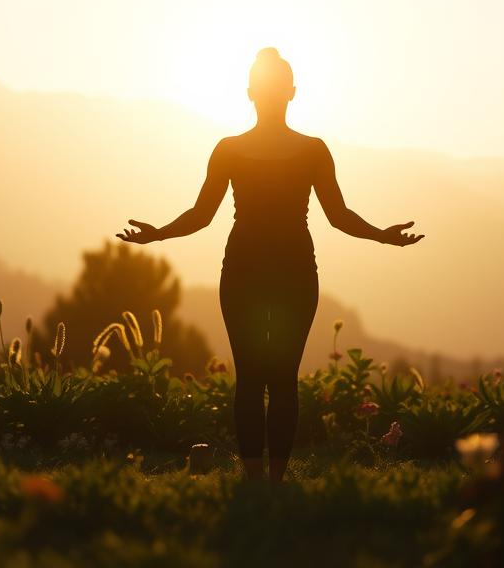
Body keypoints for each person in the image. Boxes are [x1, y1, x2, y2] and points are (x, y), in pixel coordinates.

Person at [116, 47, 423, 483]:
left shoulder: (231, 149)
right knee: (282, 380)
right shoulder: (311, 150)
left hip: (245, 270)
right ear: (291, 92)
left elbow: (201, 215)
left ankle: (256, 480)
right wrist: (381, 236)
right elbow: (339, 216)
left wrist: (159, 233)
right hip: (292, 271)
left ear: (250, 93)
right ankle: (272, 481)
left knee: (251, 379)